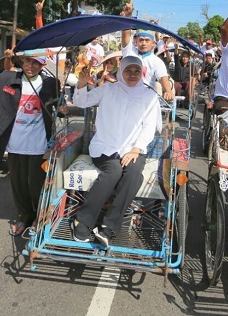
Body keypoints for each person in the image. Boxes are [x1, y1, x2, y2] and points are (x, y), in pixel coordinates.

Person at [69, 56, 161, 246]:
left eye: (137, 71)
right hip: (105, 147)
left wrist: (136, 149)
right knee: (114, 172)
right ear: (121, 72)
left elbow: (149, 127)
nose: (132, 75)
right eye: (128, 70)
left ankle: (109, 227)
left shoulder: (149, 95)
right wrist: (81, 84)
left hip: (134, 149)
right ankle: (83, 220)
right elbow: (82, 102)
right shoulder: (108, 89)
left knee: (134, 175)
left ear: (142, 72)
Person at [0, 46, 67, 236]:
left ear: (43, 66)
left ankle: (39, 218)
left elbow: (59, 106)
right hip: (14, 143)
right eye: (27, 61)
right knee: (18, 185)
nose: (30, 66)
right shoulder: (7, 78)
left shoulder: (51, 84)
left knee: (37, 184)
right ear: (21, 62)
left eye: (36, 63)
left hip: (39, 143)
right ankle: (25, 216)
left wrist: (63, 109)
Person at [120, 2, 174, 101]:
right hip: (125, 98)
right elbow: (126, 35)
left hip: (145, 100)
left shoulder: (156, 61)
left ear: (153, 43)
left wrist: (168, 91)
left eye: (147, 40)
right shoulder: (130, 52)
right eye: (141, 40)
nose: (144, 43)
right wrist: (128, 17)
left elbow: (163, 78)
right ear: (136, 41)